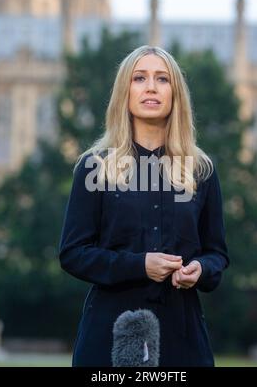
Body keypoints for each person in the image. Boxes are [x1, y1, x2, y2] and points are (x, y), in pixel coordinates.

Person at [58, 45, 229, 367]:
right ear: (125, 91)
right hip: (109, 333)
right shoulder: (96, 166)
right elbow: (73, 253)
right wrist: (139, 265)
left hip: (183, 335)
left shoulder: (201, 170)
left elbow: (217, 254)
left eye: (162, 79)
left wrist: (201, 270)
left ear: (175, 94)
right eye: (139, 78)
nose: (151, 87)